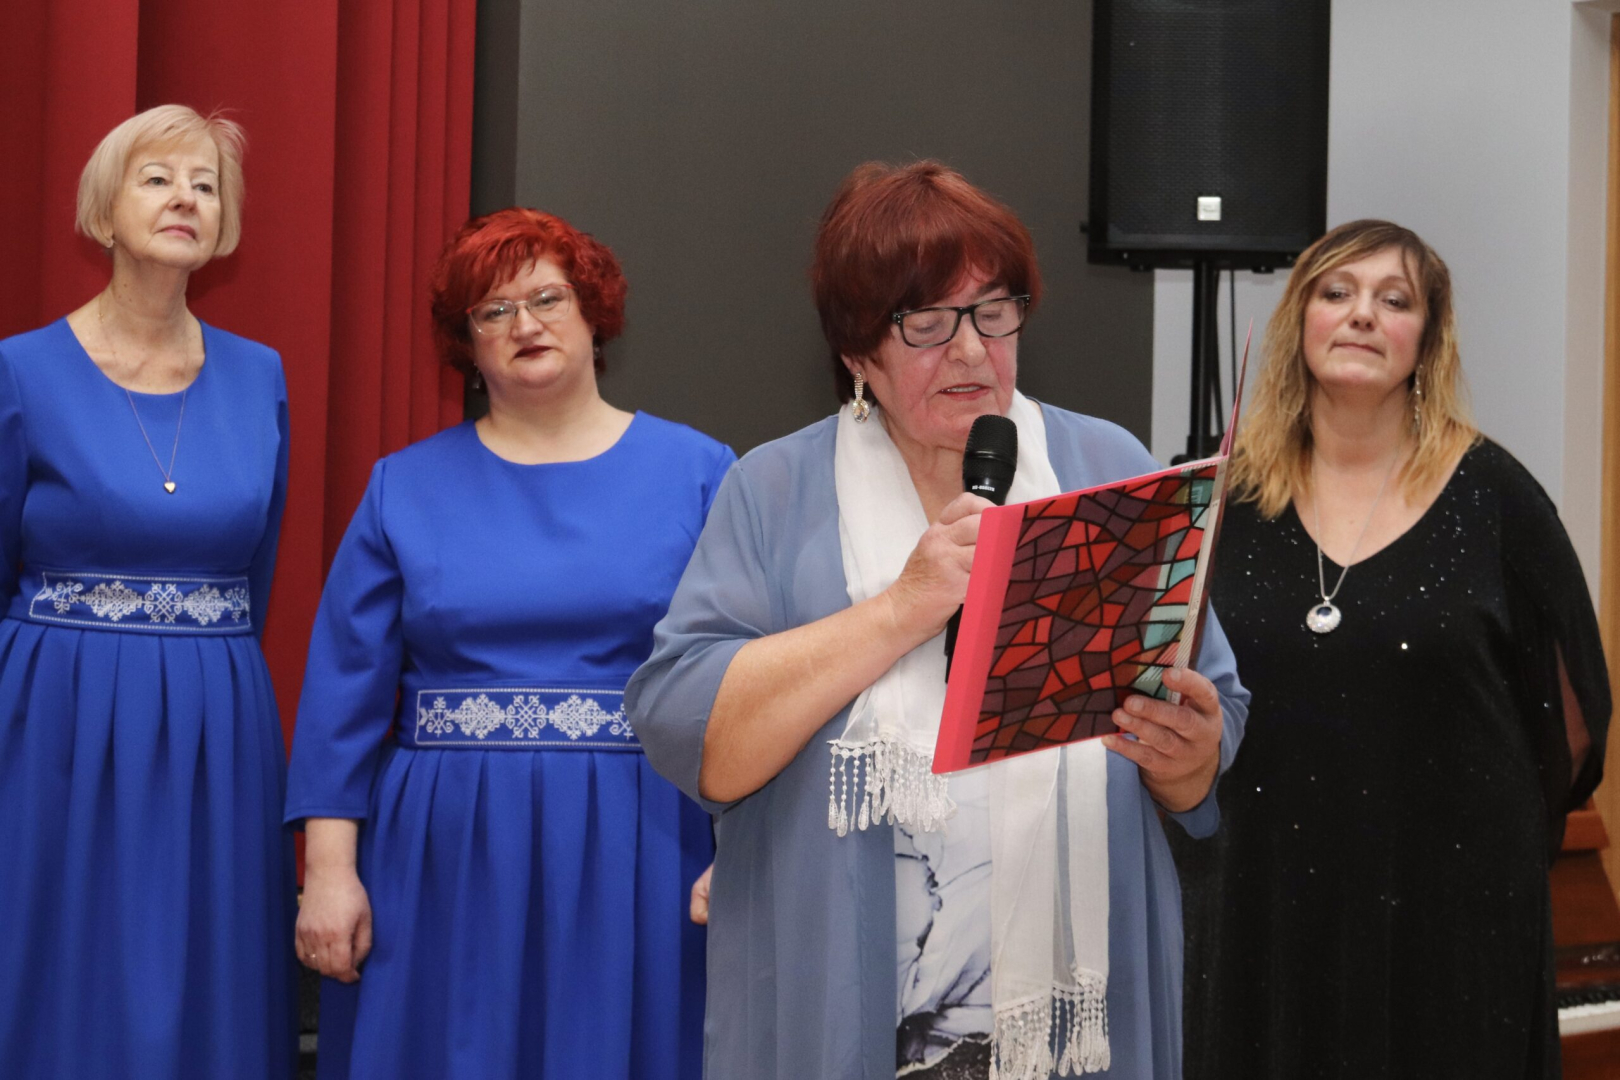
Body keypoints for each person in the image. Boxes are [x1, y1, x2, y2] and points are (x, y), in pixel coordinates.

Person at [626, 160, 1250, 1080]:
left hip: (1075, 1030)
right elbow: (696, 734)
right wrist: (900, 609)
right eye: (927, 322)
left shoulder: (1105, 465)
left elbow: (1212, 719)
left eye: (994, 312)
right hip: (846, 1018)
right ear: (856, 353)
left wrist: (1186, 760)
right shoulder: (775, 490)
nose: (970, 351)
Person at [285, 207, 731, 1080]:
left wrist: (742, 852)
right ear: (467, 344)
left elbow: (747, 680)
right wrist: (329, 874)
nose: (525, 324)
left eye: (547, 298)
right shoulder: (403, 487)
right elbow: (342, 700)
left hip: (641, 845)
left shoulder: (701, 473)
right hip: (442, 854)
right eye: (493, 310)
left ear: (593, 311)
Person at [1178, 219, 1611, 1078]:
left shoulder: (1498, 497)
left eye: (1395, 299)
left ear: (1428, 338)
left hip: (1451, 922)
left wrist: (1476, 844)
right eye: (1337, 292)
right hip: (1261, 905)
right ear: (1300, 321)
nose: (1363, 315)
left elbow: (1573, 722)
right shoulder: (1218, 501)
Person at [0, 105, 294, 1078]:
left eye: (206, 185)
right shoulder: (20, 371)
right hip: (55, 716)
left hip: (217, 719)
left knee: (207, 961)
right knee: (55, 961)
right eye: (158, 179)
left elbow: (259, 569)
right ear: (104, 209)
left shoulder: (260, 377)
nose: (185, 200)